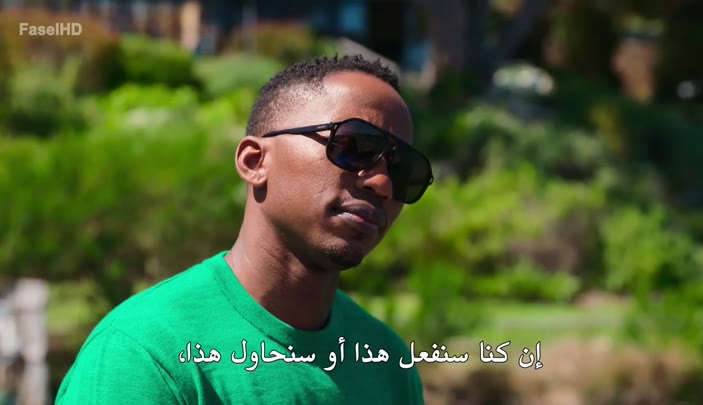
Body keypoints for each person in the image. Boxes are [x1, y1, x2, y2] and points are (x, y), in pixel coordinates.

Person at [56, 54, 434, 404]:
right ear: (255, 162)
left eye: (404, 171)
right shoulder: (144, 354)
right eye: (355, 146)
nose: (382, 184)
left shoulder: (387, 363)